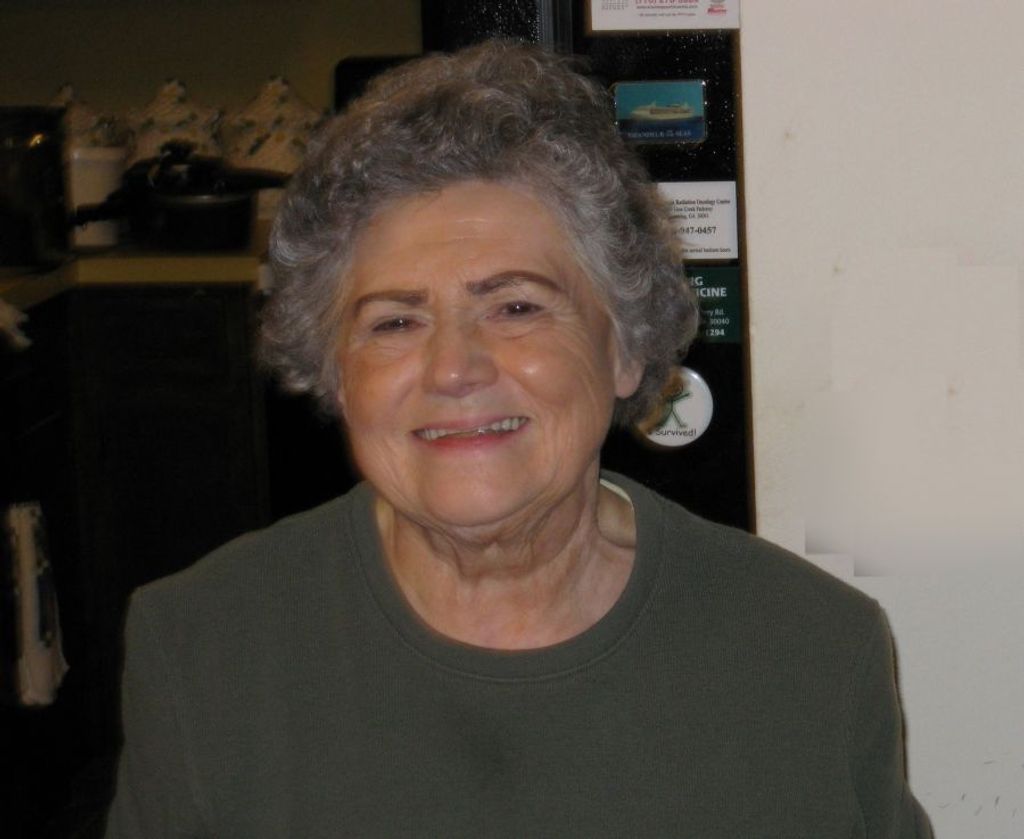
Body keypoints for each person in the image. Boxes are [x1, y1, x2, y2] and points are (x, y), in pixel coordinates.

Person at [105, 41, 931, 838]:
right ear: (337, 374)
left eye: (516, 306)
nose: (452, 368)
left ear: (624, 345)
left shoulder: (811, 649)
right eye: (394, 321)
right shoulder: (205, 650)